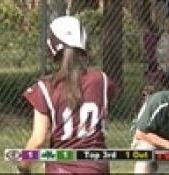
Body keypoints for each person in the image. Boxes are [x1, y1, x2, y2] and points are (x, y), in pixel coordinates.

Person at [16, 16, 118, 174]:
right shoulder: (101, 80)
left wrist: (23, 166)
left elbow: (38, 139)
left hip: (60, 168)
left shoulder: (45, 87)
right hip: (96, 168)